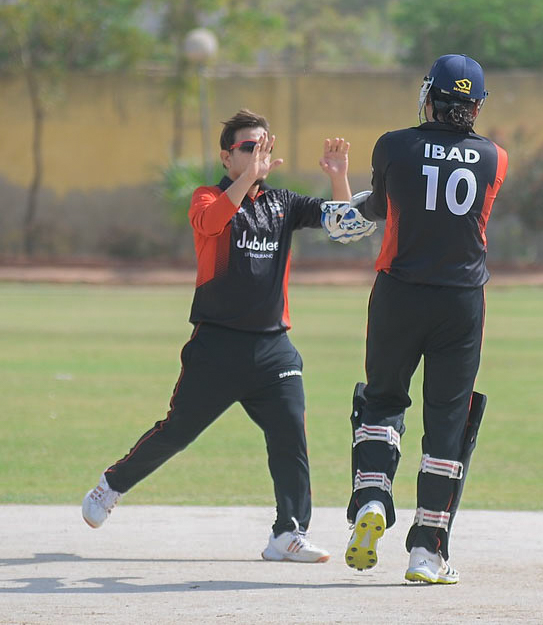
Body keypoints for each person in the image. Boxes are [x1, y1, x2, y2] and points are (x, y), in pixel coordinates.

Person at [82, 108, 353, 563]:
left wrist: (338, 177)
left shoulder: (283, 203)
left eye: (265, 146)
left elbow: (343, 226)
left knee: (290, 434)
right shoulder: (206, 198)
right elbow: (211, 224)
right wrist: (247, 179)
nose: (259, 154)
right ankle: (111, 485)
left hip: (273, 347)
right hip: (217, 347)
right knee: (177, 433)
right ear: (227, 157)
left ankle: (288, 533)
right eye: (249, 147)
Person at [336, 54, 507, 584]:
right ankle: (427, 552)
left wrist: (349, 203)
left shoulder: (393, 145)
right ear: (475, 106)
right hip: (460, 301)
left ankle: (371, 496)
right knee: (448, 422)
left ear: (430, 96)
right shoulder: (495, 157)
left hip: (398, 294)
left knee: (383, 400)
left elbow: (381, 206)